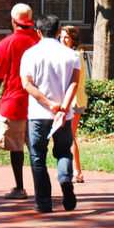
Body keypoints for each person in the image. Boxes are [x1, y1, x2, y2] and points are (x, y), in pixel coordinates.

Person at [20, 15, 82, 213]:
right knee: (64, 152)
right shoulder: (71, 55)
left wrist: (49, 104)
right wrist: (63, 106)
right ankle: (65, 179)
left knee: (37, 157)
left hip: (39, 113)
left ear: (38, 32)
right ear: (58, 32)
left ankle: (44, 201)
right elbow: (74, 82)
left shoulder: (30, 54)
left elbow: (27, 84)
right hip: (64, 114)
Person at [0, 3, 40, 199]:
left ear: (13, 21)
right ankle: (41, 187)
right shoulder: (39, 41)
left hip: (14, 101)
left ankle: (19, 187)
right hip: (39, 102)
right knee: (37, 149)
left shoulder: (6, 43)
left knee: (16, 148)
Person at [58, 25, 87, 182]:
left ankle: (77, 171)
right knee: (68, 137)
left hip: (74, 101)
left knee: (70, 137)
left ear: (73, 40)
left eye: (67, 37)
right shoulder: (69, 55)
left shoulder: (75, 56)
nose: (63, 40)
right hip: (72, 100)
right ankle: (74, 170)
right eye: (61, 37)